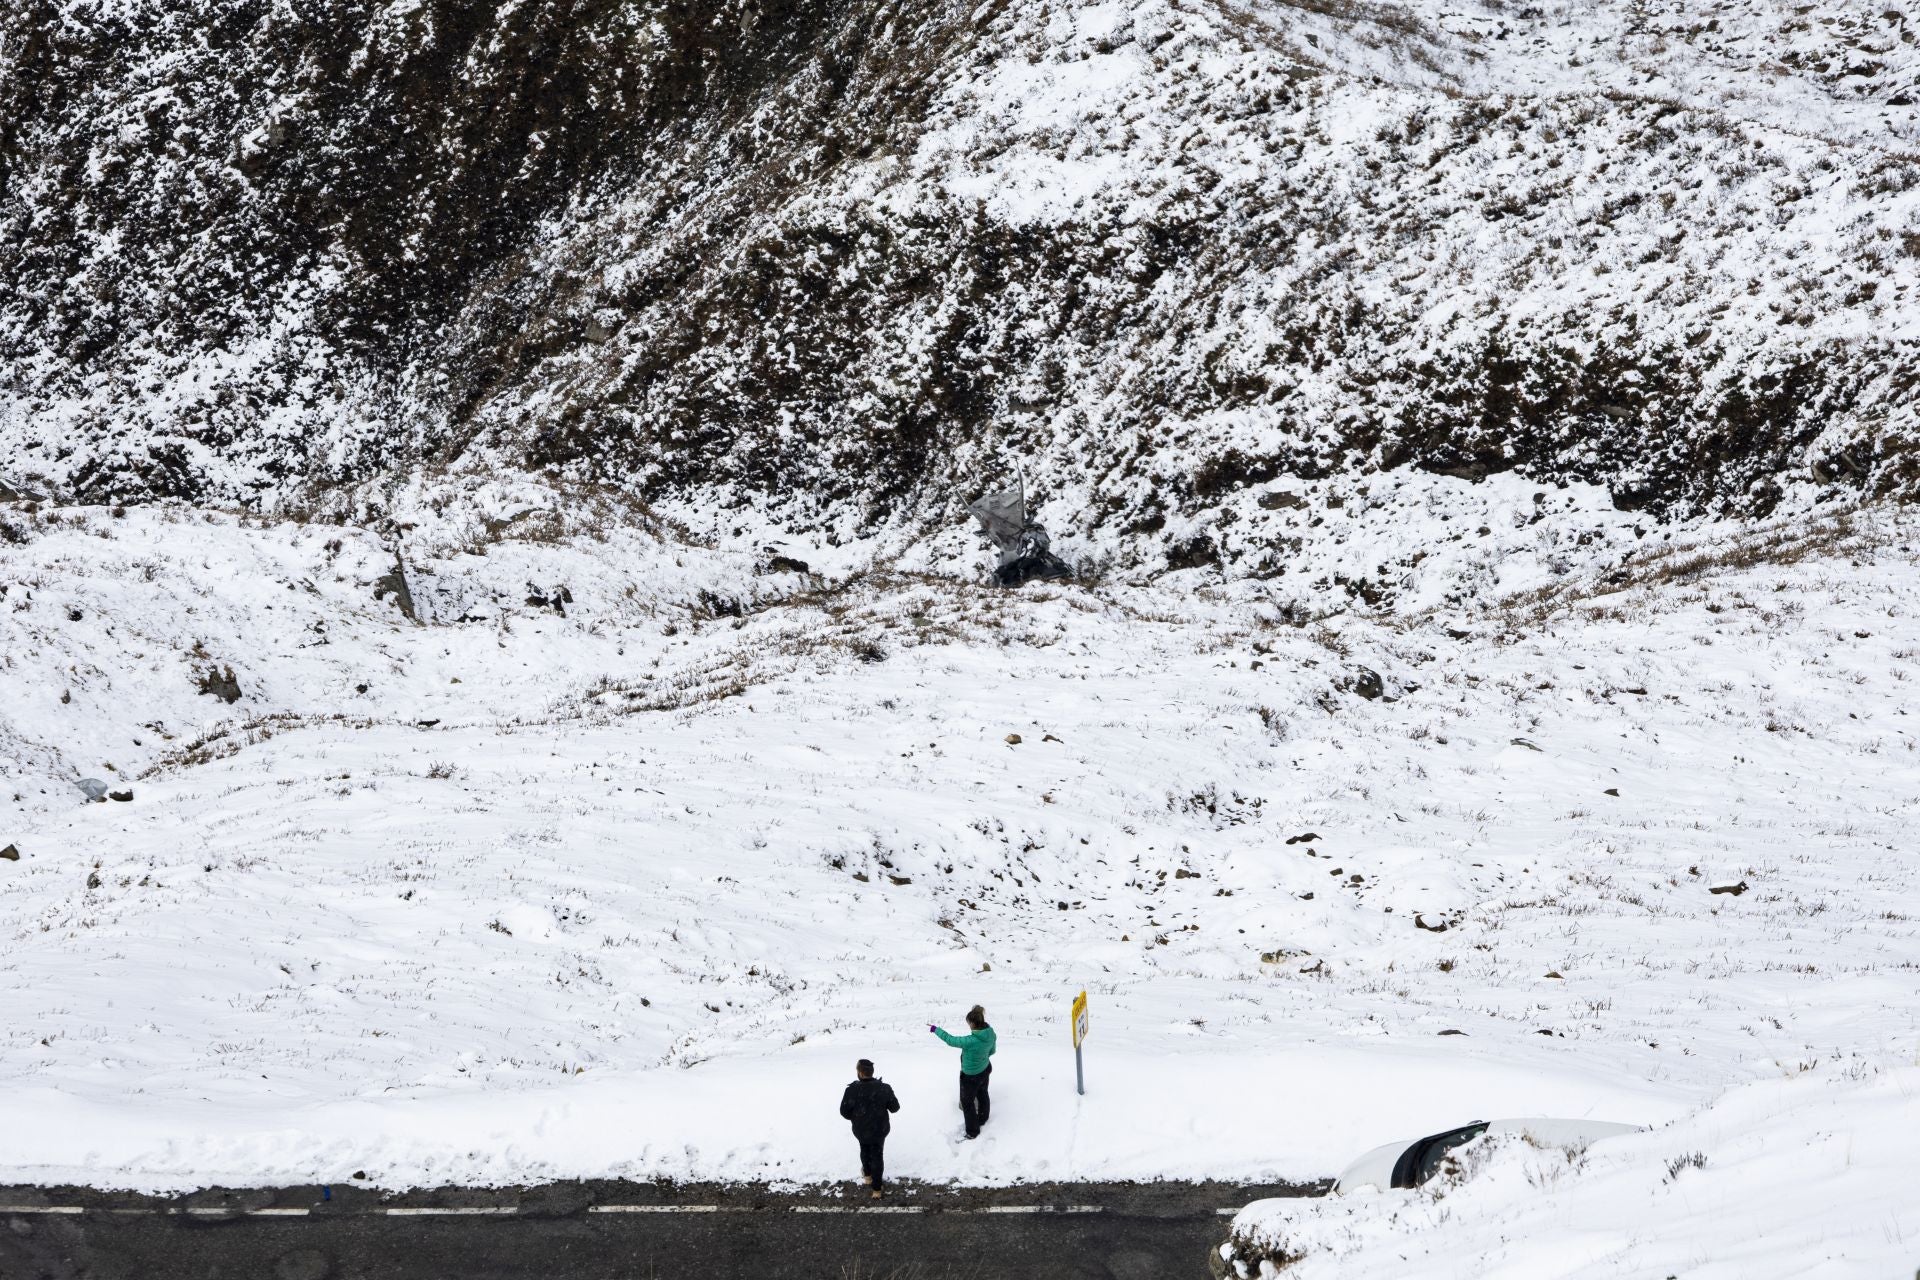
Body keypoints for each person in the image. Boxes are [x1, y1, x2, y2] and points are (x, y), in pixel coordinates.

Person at [930, 1005, 996, 1138]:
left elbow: (951, 1040)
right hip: (985, 1069)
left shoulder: (970, 1041)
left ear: (972, 1023)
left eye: (969, 1023)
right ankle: (982, 1119)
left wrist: (936, 1029)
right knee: (983, 1093)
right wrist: (981, 1058)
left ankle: (972, 1132)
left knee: (967, 1102)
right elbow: (992, 1051)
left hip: (971, 1076)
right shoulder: (991, 1033)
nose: (968, 1026)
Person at [838, 1058, 901, 1197]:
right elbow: (895, 1108)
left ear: (860, 1073)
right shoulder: (884, 1088)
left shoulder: (852, 1090)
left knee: (864, 1149)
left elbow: (844, 1111)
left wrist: (856, 1118)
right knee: (877, 1155)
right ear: (872, 1072)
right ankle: (877, 1189)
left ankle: (867, 1176)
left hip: (860, 1129)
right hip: (880, 1129)